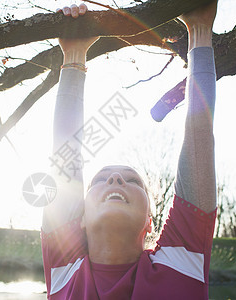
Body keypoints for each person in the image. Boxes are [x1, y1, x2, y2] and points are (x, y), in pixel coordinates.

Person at [42, 1, 218, 299]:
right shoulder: (65, 268)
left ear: (150, 220)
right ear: (80, 217)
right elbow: (65, 155)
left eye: (132, 180)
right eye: (101, 179)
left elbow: (200, 132)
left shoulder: (181, 260)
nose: (115, 180)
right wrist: (72, 54)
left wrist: (200, 28)